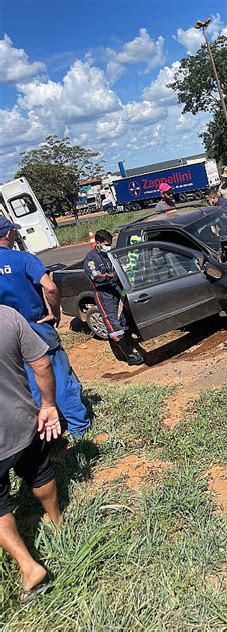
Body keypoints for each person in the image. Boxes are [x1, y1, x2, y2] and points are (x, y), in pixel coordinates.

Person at [0, 217, 90, 439]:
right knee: (57, 374)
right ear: (8, 234)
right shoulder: (23, 259)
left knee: (26, 381)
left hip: (5, 332)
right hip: (35, 326)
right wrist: (55, 312)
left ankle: (46, 431)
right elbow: (50, 288)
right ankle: (78, 427)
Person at [0, 305, 61, 604]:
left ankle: (29, 566)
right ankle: (56, 519)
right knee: (40, 471)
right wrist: (49, 404)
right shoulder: (7, 316)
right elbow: (42, 364)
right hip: (25, 422)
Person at [83, 230, 144, 366]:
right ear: (98, 243)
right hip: (104, 295)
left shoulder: (111, 254)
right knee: (113, 324)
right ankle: (128, 355)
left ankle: (128, 345)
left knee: (123, 320)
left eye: (110, 244)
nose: (109, 246)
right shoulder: (91, 259)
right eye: (106, 244)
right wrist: (114, 276)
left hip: (116, 291)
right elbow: (97, 277)